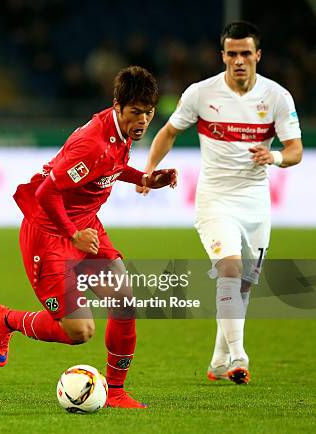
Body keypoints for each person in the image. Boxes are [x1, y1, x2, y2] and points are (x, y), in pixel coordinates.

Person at [0, 66, 178, 408]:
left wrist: (145, 179)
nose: (144, 121)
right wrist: (72, 234)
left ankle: (116, 391)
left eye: (149, 113)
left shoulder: (119, 131)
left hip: (85, 226)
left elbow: (110, 168)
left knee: (124, 301)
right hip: (49, 232)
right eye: (136, 112)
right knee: (79, 332)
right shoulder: (92, 143)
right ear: (117, 105)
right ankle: (5, 318)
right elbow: (46, 193)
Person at [138, 22, 302, 384]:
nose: (239, 60)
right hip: (215, 199)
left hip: (256, 203)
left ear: (258, 55)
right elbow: (168, 131)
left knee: (243, 285)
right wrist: (148, 169)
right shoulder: (200, 93)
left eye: (246, 53)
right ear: (223, 55)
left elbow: (295, 151)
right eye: (232, 53)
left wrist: (272, 157)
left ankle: (217, 361)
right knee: (229, 270)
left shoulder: (277, 97)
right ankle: (239, 356)